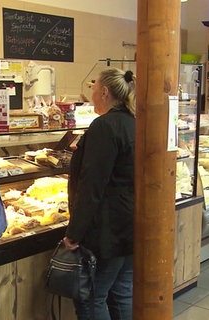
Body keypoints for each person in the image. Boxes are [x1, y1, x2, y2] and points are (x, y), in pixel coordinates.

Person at [64, 67, 136, 320]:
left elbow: (92, 186)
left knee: (91, 298)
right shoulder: (133, 122)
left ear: (104, 91)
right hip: (129, 224)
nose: (91, 95)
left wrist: (74, 232)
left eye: (93, 89)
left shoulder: (104, 126)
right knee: (122, 293)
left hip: (107, 230)